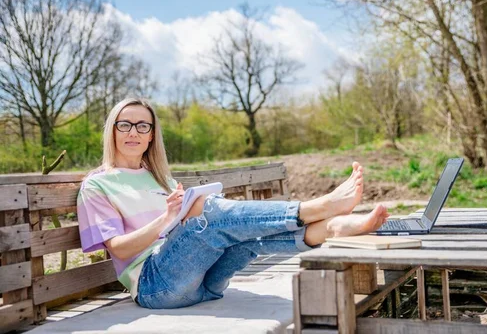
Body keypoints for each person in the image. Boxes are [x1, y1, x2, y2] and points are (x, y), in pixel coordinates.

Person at [77, 98, 389, 309]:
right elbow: (118, 248)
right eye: (125, 124)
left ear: (151, 136)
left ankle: (329, 227)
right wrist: (167, 218)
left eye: (142, 126)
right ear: (112, 131)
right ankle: (317, 209)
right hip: (155, 285)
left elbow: (189, 229)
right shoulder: (98, 185)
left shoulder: (162, 180)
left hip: (205, 284)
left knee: (233, 230)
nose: (133, 132)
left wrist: (183, 211)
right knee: (207, 212)